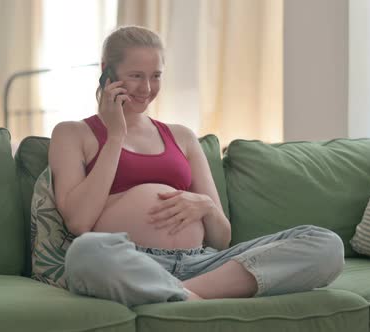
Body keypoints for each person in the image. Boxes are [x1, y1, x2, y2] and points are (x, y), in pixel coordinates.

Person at [48, 25, 344, 307]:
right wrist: (115, 136)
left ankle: (182, 294)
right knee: (85, 255)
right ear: (106, 71)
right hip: (129, 260)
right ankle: (181, 292)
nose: (147, 88)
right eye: (136, 75)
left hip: (202, 263)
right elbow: (79, 222)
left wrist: (204, 205)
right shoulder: (72, 133)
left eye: (156, 76)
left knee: (326, 244)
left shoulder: (182, 136)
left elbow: (222, 237)